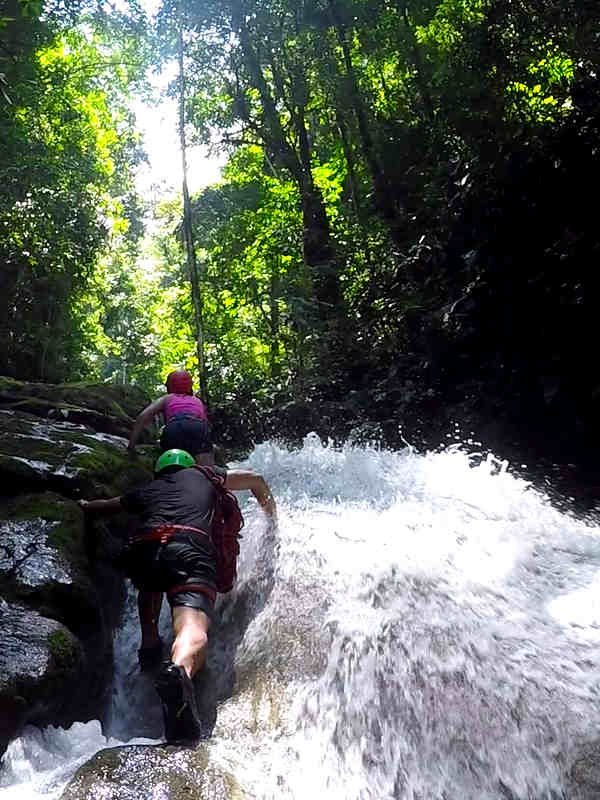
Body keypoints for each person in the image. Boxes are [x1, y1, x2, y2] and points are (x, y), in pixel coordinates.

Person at [79, 447, 276, 745]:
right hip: (190, 550)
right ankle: (179, 670)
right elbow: (255, 479)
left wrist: (81, 505)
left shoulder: (148, 490)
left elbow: (105, 506)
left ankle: (149, 644)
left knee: (149, 579)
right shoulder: (206, 475)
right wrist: (272, 518)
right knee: (191, 627)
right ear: (190, 465)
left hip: (145, 550)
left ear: (160, 471)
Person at [128, 369, 210, 461]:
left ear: (170, 386)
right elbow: (205, 423)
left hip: (174, 427)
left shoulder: (166, 399)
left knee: (173, 464)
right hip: (198, 427)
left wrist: (131, 446)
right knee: (205, 468)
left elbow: (142, 417)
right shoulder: (197, 401)